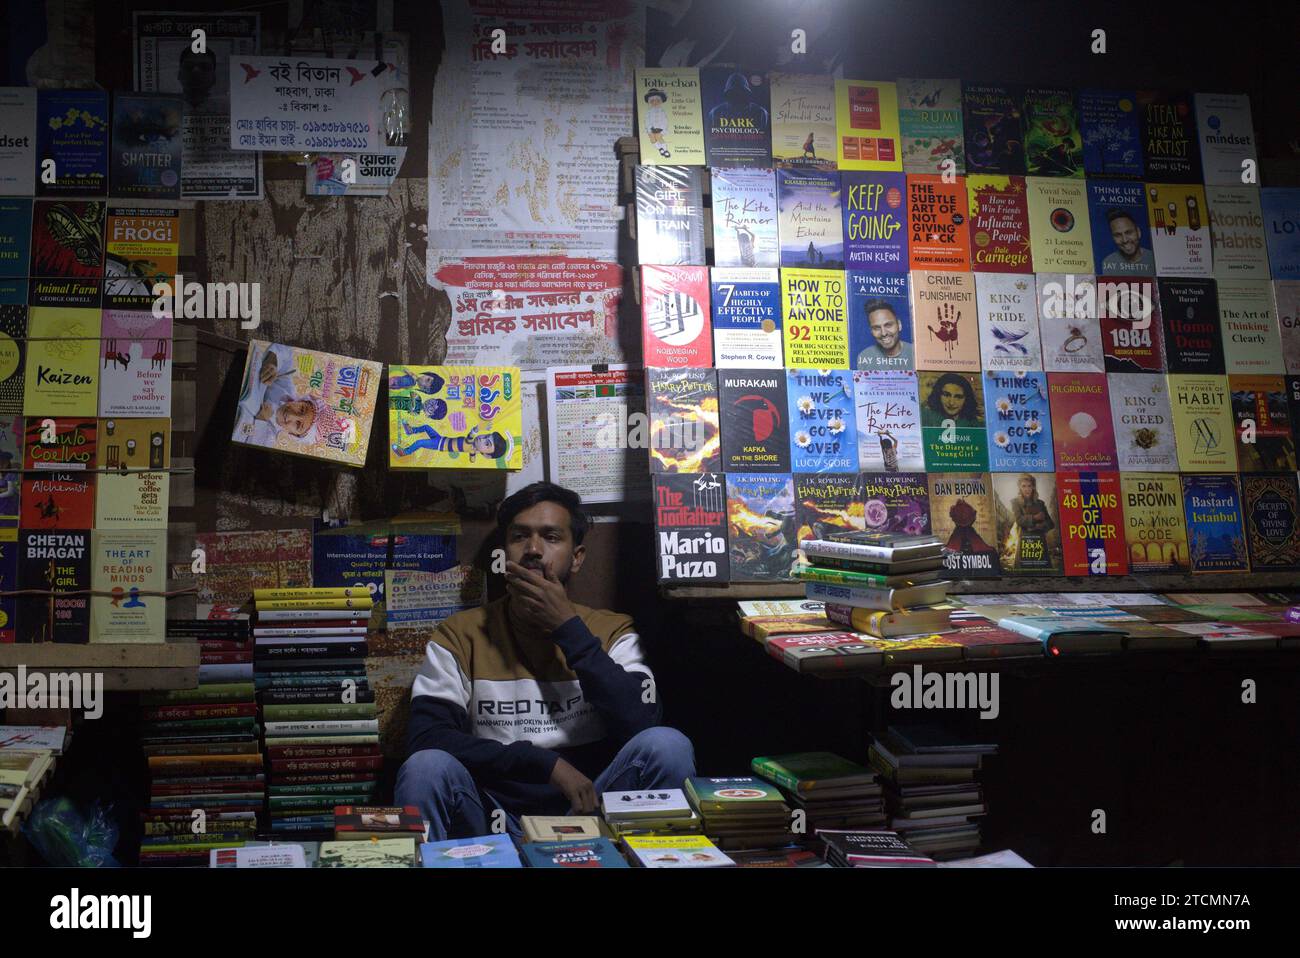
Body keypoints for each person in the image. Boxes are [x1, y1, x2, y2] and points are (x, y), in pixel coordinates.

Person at [396, 482, 696, 841]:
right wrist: (543, 762)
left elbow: (642, 722)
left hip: (591, 811)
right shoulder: (460, 635)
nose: (534, 550)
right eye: (520, 537)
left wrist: (568, 629)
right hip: (494, 817)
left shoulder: (611, 630)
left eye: (551, 537)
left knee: (668, 745)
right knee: (426, 766)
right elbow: (426, 738)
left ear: (578, 557)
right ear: (503, 553)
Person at [855, 300, 914, 369]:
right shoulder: (864, 357)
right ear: (871, 331)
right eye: (877, 328)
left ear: (899, 325)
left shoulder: (915, 353)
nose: (884, 333)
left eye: (888, 325)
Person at [1100, 208, 1155, 275]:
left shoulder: (1154, 259)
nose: (1125, 240)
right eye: (1118, 235)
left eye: (1128, 232)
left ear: (1138, 232)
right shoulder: (1107, 263)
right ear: (1113, 237)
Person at [642, 89, 671, 159]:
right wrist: (650, 128)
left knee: (658, 137)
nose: (655, 103)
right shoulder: (649, 112)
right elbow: (647, 121)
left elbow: (664, 121)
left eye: (657, 101)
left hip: (660, 128)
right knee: (652, 138)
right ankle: (660, 148)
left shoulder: (661, 112)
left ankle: (665, 150)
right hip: (651, 128)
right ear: (649, 102)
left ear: (660, 102)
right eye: (652, 101)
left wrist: (662, 128)